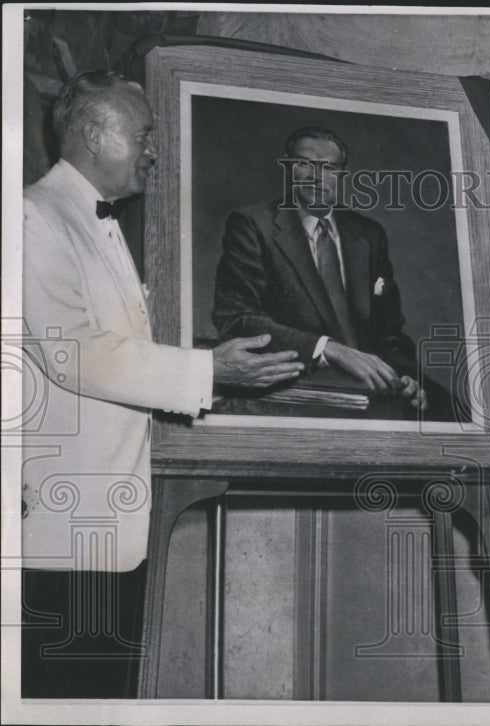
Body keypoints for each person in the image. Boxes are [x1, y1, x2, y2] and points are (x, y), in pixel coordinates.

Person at [20, 69, 304, 698]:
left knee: (103, 696)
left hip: (112, 527)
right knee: (64, 698)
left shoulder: (95, 220)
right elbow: (73, 352)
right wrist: (207, 371)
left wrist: (218, 371)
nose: (155, 150)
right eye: (145, 134)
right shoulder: (32, 216)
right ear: (96, 134)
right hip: (67, 530)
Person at [212, 126, 424, 405]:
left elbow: (389, 330)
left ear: (342, 174)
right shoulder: (252, 225)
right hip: (299, 384)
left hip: (372, 387)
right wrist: (327, 349)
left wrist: (406, 376)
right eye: (304, 164)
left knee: (454, 413)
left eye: (329, 168)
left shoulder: (369, 234)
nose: (316, 177)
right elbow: (237, 318)